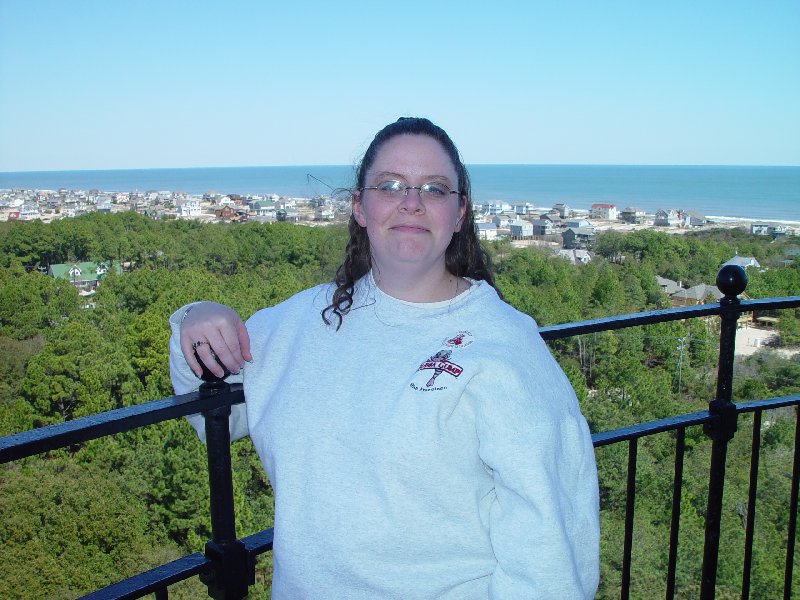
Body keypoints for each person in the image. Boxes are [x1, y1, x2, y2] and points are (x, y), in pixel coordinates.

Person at [169, 117, 600, 599]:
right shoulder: (300, 322)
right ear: (359, 205)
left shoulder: (505, 345)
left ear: (459, 213)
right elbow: (215, 414)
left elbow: (551, 551)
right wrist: (193, 318)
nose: (412, 202)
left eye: (435, 189)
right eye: (391, 185)